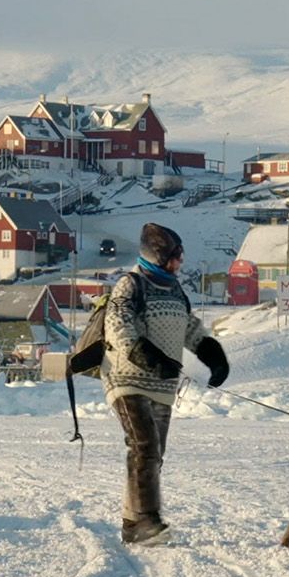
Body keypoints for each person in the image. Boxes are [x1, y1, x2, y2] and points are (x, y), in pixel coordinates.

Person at [101, 222, 230, 546]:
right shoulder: (130, 285)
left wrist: (211, 353)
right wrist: (146, 356)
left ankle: (133, 522)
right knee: (143, 445)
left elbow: (188, 326)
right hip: (126, 379)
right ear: (157, 256)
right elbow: (117, 326)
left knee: (153, 454)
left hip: (162, 384)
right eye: (176, 256)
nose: (180, 262)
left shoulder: (174, 289)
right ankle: (147, 520)